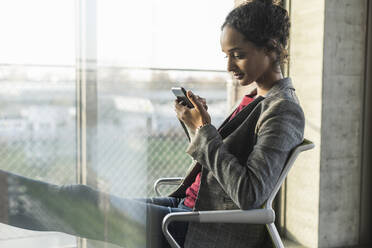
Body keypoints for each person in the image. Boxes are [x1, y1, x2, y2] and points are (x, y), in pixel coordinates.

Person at [0, 0, 304, 247]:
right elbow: (220, 161)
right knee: (86, 202)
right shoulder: (256, 98)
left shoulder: (283, 110)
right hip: (186, 209)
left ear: (272, 47)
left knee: (81, 201)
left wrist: (203, 130)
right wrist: (196, 124)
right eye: (226, 55)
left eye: (238, 55)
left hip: (201, 228)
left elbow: (250, 193)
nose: (228, 67)